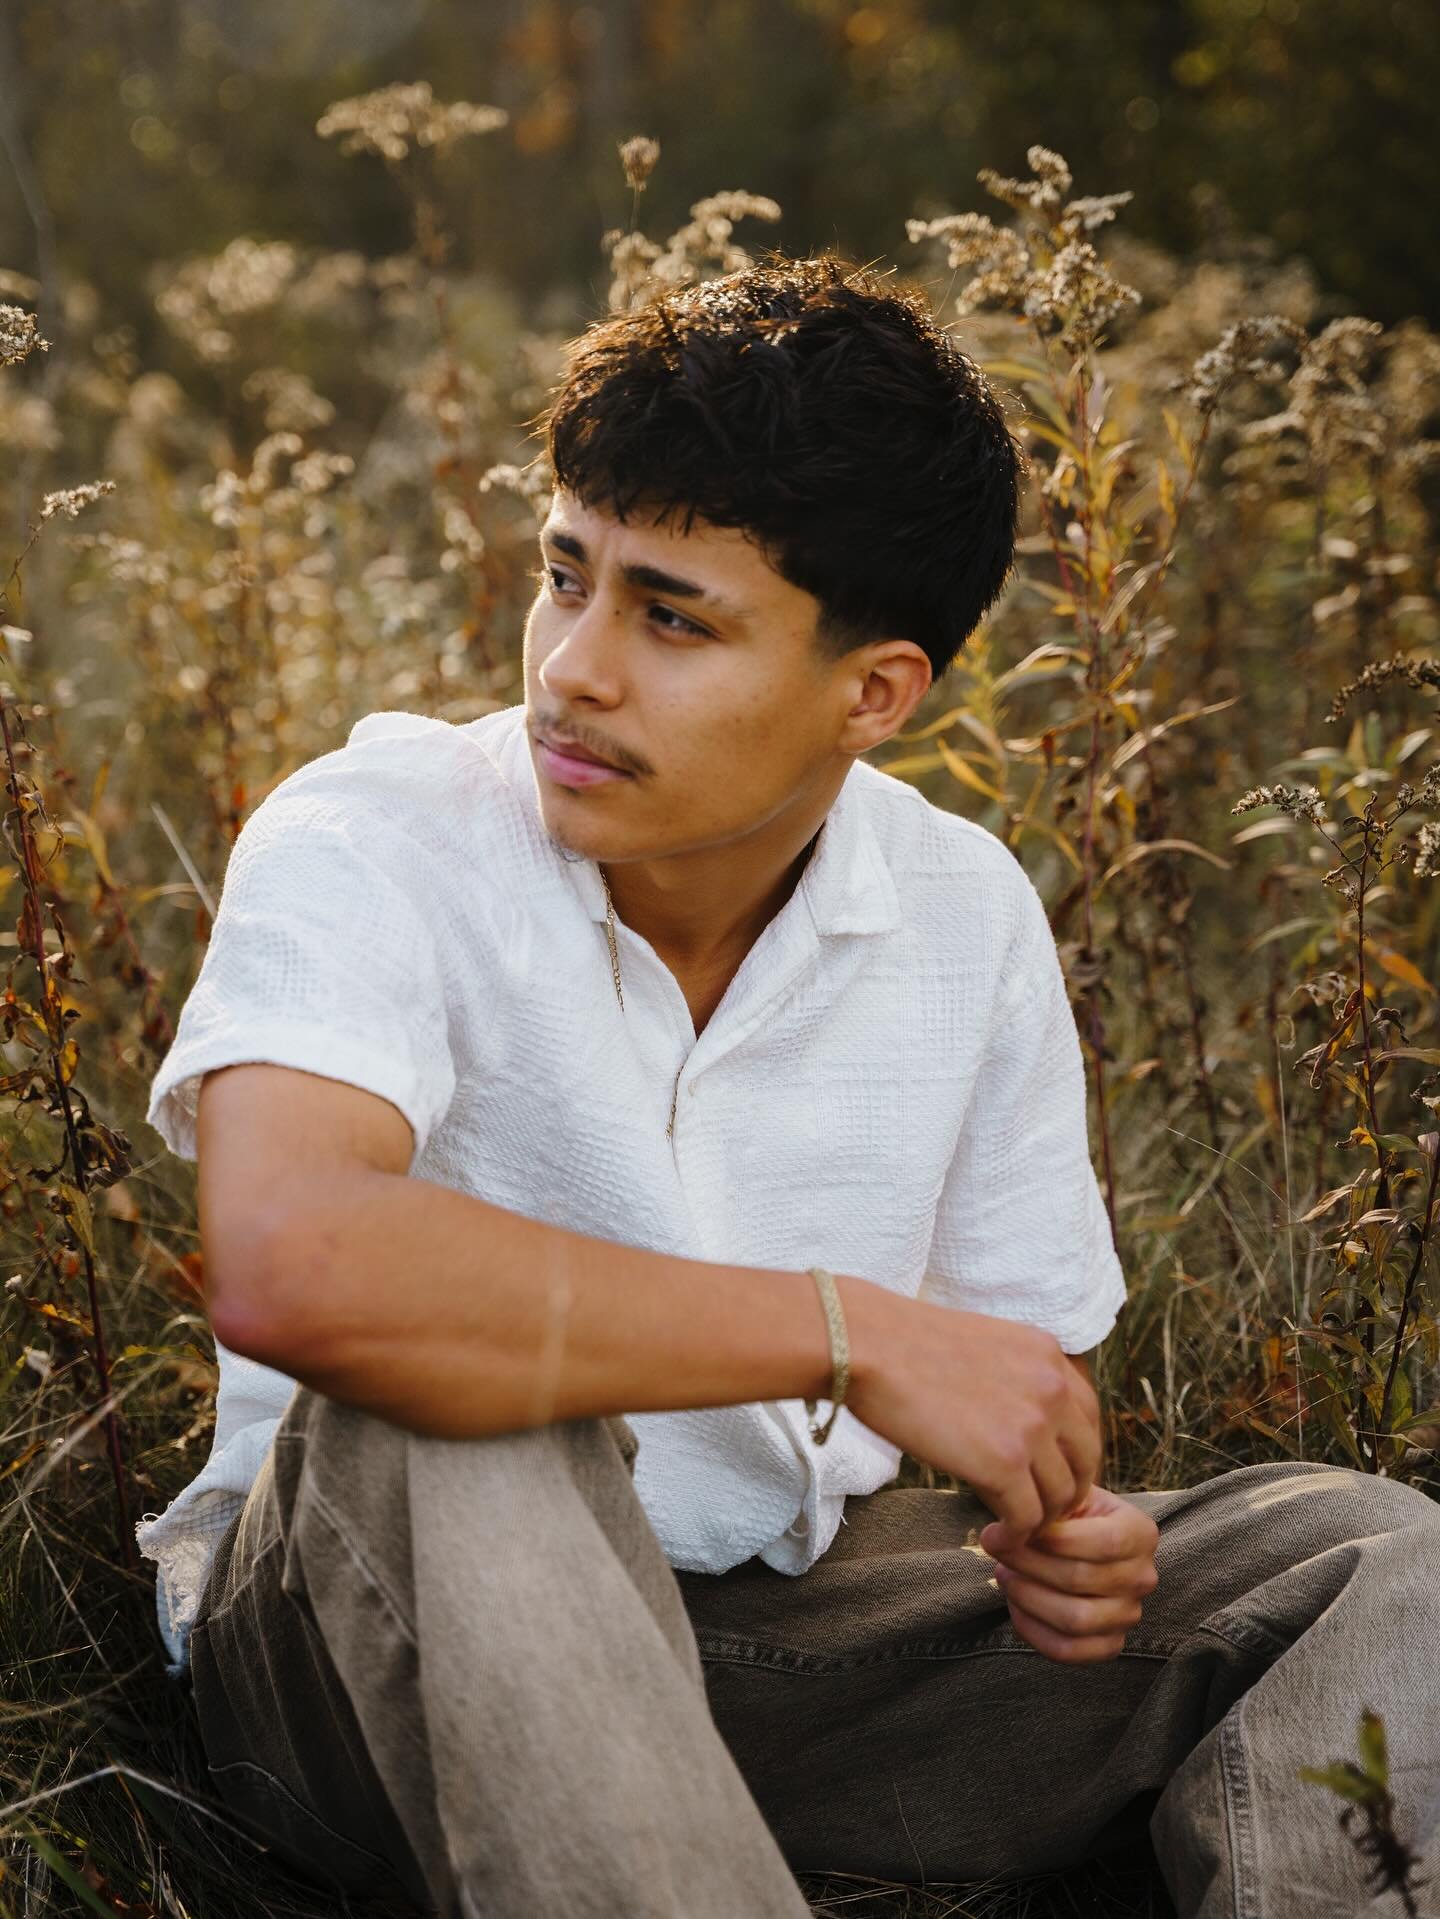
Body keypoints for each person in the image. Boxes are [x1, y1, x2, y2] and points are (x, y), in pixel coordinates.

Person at [136, 253, 1440, 1919]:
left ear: (875, 692)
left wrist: (1069, 1538)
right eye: (566, 575)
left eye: (671, 616)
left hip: (789, 1635)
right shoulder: (373, 832)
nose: (573, 669)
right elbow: (294, 1260)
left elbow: (1012, 1390)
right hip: (350, 1651)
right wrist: (847, 1327)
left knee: (1374, 1554)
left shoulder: (963, 911)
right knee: (461, 1412)